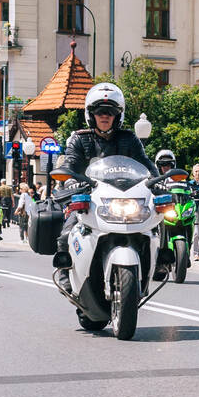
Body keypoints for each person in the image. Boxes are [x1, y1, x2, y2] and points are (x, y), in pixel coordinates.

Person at [53, 82, 157, 291]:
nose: (105, 116)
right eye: (100, 111)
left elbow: (146, 165)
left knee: (155, 226)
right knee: (67, 232)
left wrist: (158, 180)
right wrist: (70, 180)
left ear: (118, 115)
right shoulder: (79, 139)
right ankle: (66, 273)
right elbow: (70, 163)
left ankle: (159, 263)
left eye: (110, 112)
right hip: (90, 197)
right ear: (91, 114)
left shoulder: (129, 139)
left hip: (126, 198)